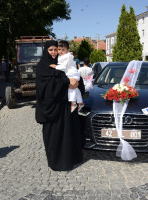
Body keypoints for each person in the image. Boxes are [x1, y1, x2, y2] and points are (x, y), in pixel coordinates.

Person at [35, 40, 85, 171]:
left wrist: (75, 82)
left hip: (65, 106)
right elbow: (45, 86)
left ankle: (72, 158)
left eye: (55, 50)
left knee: (69, 132)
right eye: (50, 50)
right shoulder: (42, 66)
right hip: (52, 108)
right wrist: (67, 82)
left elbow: (74, 76)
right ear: (46, 51)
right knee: (55, 136)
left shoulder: (62, 62)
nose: (53, 52)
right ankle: (57, 162)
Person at [50, 40, 84, 113]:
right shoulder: (64, 56)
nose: (60, 51)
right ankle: (80, 102)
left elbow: (64, 66)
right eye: (59, 49)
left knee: (71, 88)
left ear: (67, 50)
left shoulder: (67, 56)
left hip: (72, 74)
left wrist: (55, 66)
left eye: (63, 50)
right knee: (75, 88)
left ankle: (73, 103)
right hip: (73, 73)